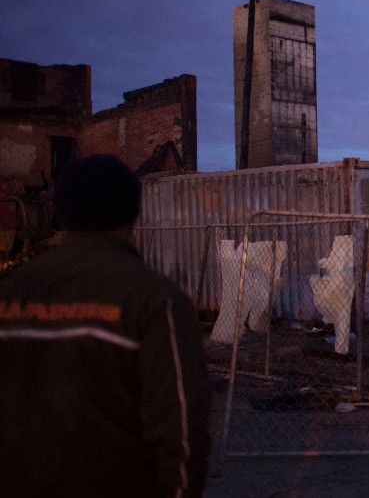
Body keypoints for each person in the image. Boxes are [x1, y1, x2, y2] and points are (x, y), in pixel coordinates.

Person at [0, 154, 211, 498]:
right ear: (133, 213)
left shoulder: (12, 293)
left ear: (62, 211)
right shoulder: (157, 300)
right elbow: (182, 429)